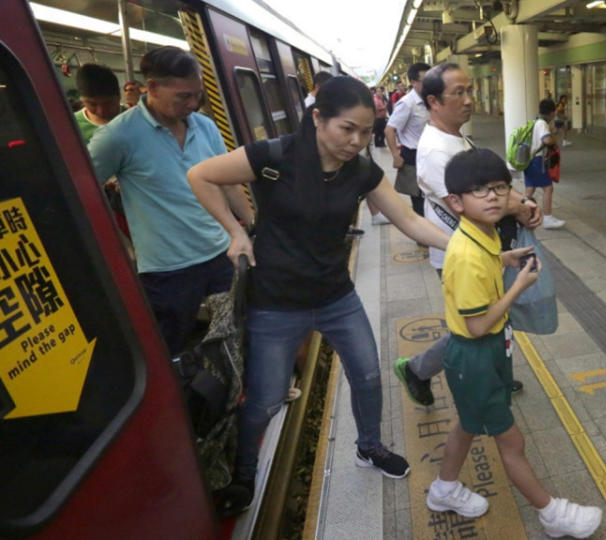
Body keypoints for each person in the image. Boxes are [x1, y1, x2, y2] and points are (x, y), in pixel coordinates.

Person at [187, 76, 451, 515]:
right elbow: (202, 175)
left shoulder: (362, 171)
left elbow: (409, 220)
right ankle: (245, 470)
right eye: (347, 129)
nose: (356, 141)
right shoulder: (276, 155)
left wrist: (467, 246)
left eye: (366, 132)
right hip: (275, 302)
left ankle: (369, 447)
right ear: (317, 119)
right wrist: (237, 232)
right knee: (266, 399)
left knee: (367, 375)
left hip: (336, 296)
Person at [426, 147, 603, 538]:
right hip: (474, 353)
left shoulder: (480, 234)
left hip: (485, 353)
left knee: (468, 425)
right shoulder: (467, 254)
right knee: (512, 440)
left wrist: (507, 260)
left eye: (499, 188)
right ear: (455, 201)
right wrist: (517, 286)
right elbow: (476, 325)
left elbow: (487, 261)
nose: (492, 197)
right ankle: (551, 513)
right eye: (479, 190)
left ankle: (444, 488)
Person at [392, 62, 541, 408]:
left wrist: (522, 202)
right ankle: (418, 370)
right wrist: (519, 206)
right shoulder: (435, 151)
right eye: (458, 93)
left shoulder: (454, 137)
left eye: (469, 90)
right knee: (473, 328)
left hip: (483, 248)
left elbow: (487, 189)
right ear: (434, 102)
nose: (469, 99)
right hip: (460, 253)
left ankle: (495, 375)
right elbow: (472, 206)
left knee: (488, 319)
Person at [89, 47, 252, 355]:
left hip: (220, 253)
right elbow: (84, 193)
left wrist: (251, 227)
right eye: (182, 97)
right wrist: (123, 246)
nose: (192, 105)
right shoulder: (118, 137)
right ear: (151, 88)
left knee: (231, 335)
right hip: (167, 270)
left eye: (197, 96)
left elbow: (229, 183)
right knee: (170, 346)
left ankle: (231, 395)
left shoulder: (205, 126)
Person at [385, 63, 430, 218]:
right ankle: (423, 237)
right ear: (413, 81)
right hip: (413, 156)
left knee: (432, 196)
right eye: (424, 80)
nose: (429, 84)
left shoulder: (430, 100)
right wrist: (396, 156)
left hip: (430, 153)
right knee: (419, 199)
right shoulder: (407, 103)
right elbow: (389, 129)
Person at [524, 99, 565, 230]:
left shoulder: (535, 121)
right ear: (552, 113)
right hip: (537, 161)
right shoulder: (542, 124)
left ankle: (519, 212)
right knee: (548, 188)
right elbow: (546, 140)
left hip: (529, 160)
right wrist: (553, 138)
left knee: (530, 190)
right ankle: (547, 218)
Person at [74, 64, 122, 143]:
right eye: (92, 104)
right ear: (82, 99)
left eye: (108, 103)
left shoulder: (135, 119)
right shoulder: (72, 126)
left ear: (119, 96)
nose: (101, 111)